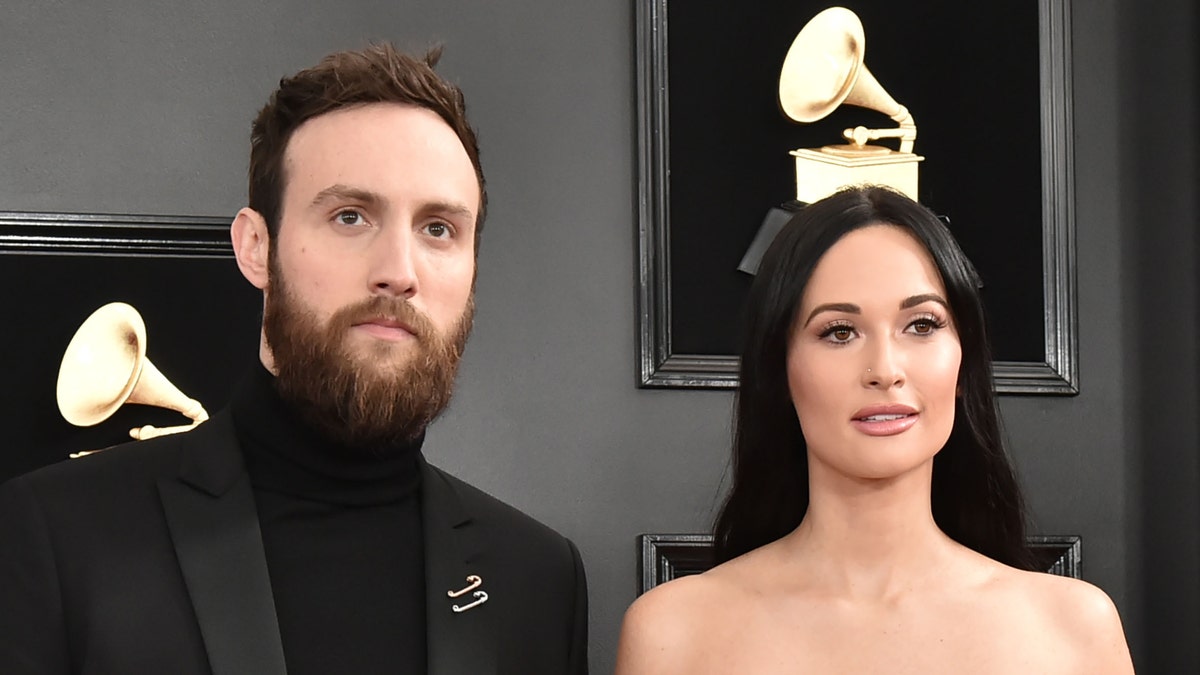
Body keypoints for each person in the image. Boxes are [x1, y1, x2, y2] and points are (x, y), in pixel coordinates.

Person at [0, 44, 587, 675]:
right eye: (350, 216)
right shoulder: (51, 535)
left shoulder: (540, 580)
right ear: (256, 247)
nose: (398, 272)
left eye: (438, 228)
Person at [614, 185, 1133, 673]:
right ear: (780, 370)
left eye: (922, 326)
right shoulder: (674, 633)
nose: (885, 368)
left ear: (963, 362)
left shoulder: (1073, 628)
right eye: (839, 331)